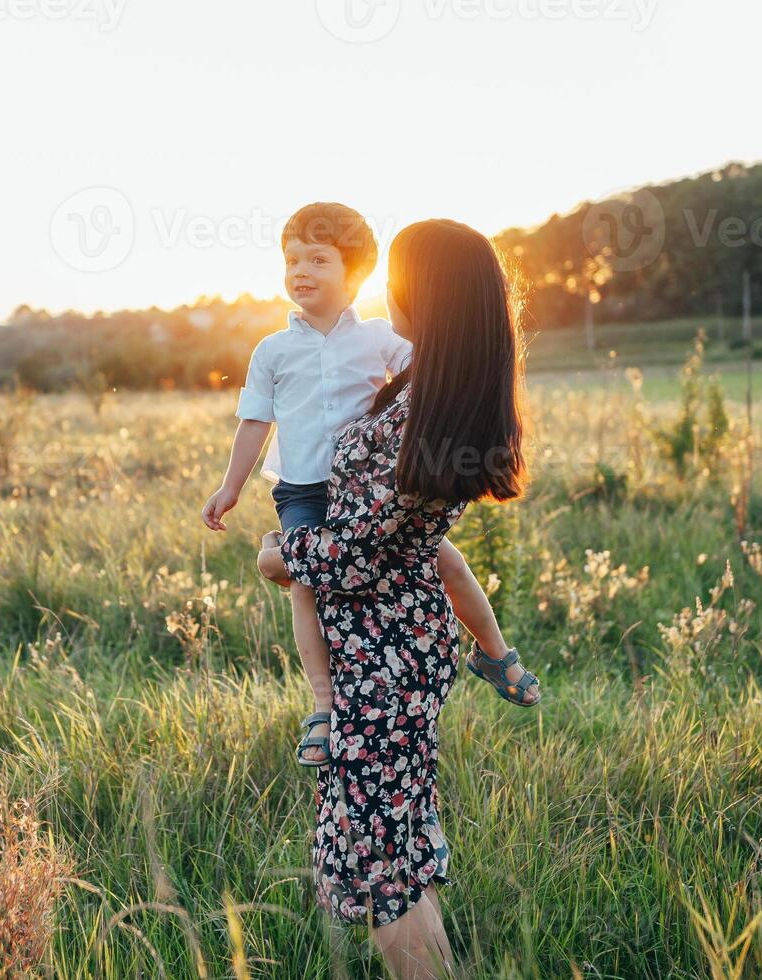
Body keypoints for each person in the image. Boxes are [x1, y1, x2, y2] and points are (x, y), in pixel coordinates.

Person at [256, 218, 533, 978]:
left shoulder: (426, 412)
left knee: (375, 860)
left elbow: (355, 553)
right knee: (392, 841)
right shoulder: (419, 388)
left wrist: (281, 554)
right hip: (386, 643)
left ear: (426, 293)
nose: (389, 293)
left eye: (400, 277)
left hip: (385, 653)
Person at [202, 203, 538, 770]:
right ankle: (322, 706)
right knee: (306, 588)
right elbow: (255, 422)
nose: (299, 270)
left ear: (355, 273)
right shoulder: (272, 351)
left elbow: (438, 359)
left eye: (317, 259)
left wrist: (276, 557)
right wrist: (230, 488)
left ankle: (496, 653)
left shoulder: (381, 338)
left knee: (448, 562)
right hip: (305, 491)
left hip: (368, 492)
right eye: (290, 260)